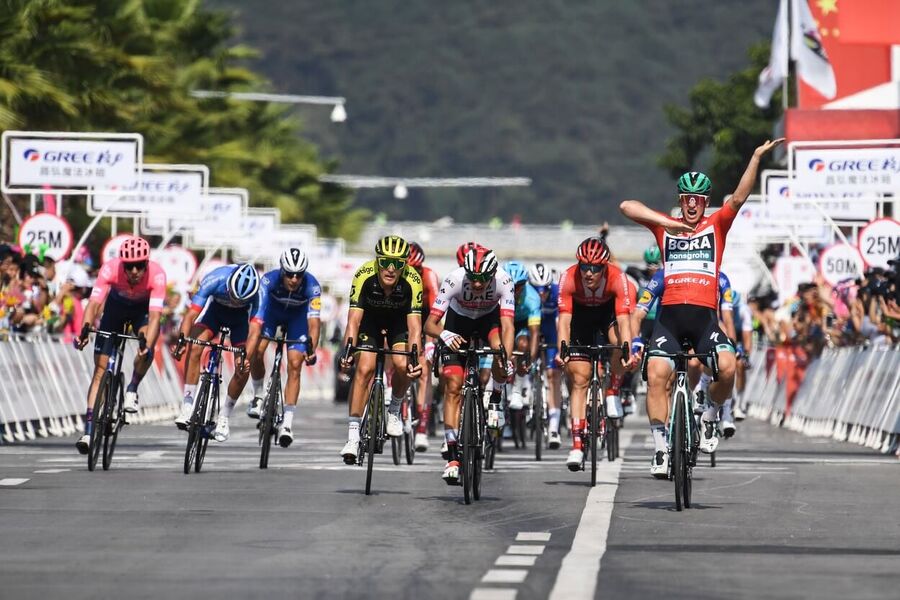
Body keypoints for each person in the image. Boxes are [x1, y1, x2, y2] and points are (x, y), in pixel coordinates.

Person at [620, 138, 783, 476]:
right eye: (687, 199)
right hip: (670, 319)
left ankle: (709, 411)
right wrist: (666, 223)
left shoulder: (716, 225)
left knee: (728, 367)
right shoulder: (666, 227)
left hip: (704, 318)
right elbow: (627, 206)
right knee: (656, 376)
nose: (693, 205)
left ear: (706, 202)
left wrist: (754, 157)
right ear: (681, 201)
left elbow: (738, 198)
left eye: (698, 200)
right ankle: (661, 448)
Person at [425, 245, 515, 484]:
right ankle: (453, 456)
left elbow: (507, 326)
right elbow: (430, 324)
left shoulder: (504, 281)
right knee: (453, 385)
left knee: (499, 350)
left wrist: (504, 356)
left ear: (493, 274)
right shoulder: (454, 280)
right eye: (473, 279)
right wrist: (445, 335)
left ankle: (495, 398)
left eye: (483, 280)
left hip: (488, 321)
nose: (477, 285)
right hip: (458, 323)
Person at [73, 236, 167, 454]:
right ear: (122, 264)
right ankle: (88, 431)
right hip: (114, 311)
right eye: (129, 266)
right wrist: (84, 331)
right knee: (100, 371)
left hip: (141, 313)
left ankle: (132, 387)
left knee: (147, 347)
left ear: (146, 263)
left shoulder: (157, 274)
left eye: (139, 265)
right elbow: (94, 304)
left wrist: (147, 345)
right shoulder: (110, 269)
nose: (134, 271)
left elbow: (154, 318)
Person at [338, 235, 424, 464]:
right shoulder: (363, 275)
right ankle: (353, 437)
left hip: (398, 322)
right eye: (385, 261)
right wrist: (348, 352)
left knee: (401, 364)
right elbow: (353, 321)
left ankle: (394, 410)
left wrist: (415, 357)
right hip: (370, 322)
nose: (390, 268)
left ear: (405, 265)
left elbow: (415, 327)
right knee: (364, 368)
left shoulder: (413, 280)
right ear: (378, 261)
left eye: (397, 264)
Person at [556, 236, 637, 471]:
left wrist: (627, 351)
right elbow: (564, 321)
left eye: (595, 268)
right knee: (579, 379)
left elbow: (624, 321)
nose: (589, 273)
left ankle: (612, 387)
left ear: (605, 267)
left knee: (619, 345)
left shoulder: (617, 278)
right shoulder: (568, 278)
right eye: (584, 267)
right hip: (579, 317)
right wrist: (563, 349)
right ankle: (577, 444)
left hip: (607, 314)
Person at [172, 263, 261, 442]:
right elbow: (190, 316)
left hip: (239, 323)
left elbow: (255, 332)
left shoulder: (258, 296)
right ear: (229, 285)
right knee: (195, 347)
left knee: (243, 366)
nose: (235, 302)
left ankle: (224, 417)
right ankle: (188, 405)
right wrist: (181, 341)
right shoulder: (215, 278)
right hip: (214, 314)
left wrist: (245, 358)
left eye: (240, 301)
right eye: (234, 297)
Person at [244, 248, 321, 448]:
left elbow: (314, 323)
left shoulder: (313, 287)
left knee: (295, 364)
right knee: (258, 351)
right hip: (271, 315)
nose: (294, 279)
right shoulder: (268, 281)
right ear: (281, 270)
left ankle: (287, 423)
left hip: (297, 320)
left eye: (298, 275)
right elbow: (258, 316)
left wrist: (312, 349)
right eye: (289, 274)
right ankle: (258, 396)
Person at [407, 241, 440, 452]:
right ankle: (391, 389)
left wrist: (430, 344)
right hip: (403, 318)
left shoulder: (428, 276)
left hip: (426, 319)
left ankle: (421, 427)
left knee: (425, 372)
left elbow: (436, 314)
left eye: (417, 270)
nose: (414, 274)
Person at [528, 263, 563, 448]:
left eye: (545, 290)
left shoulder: (557, 293)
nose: (541, 294)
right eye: (537, 290)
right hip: (530, 326)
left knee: (553, 376)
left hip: (551, 329)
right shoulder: (525, 293)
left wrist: (559, 351)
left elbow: (560, 323)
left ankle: (554, 427)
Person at [503, 261, 542, 412]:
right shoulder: (496, 293)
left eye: (519, 286)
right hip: (503, 322)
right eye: (510, 286)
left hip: (521, 325)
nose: (514, 290)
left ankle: (517, 390)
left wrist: (530, 360)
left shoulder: (533, 298)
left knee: (524, 345)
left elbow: (534, 332)